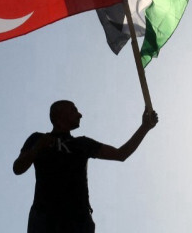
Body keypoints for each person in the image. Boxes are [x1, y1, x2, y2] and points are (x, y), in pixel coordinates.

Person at [13, 100, 158, 233]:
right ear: (58, 114)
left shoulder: (83, 144)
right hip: (45, 219)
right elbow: (18, 168)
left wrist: (144, 127)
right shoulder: (37, 138)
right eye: (73, 110)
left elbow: (121, 154)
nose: (80, 114)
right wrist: (37, 148)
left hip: (78, 221)